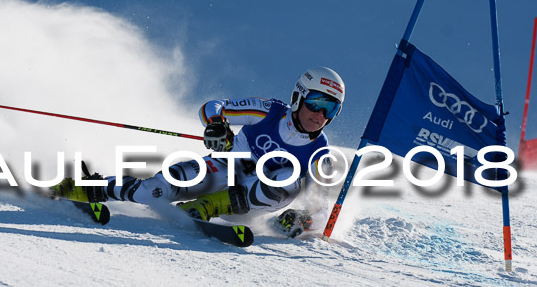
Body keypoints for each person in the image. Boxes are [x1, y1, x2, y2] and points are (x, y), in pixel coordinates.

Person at [52, 66, 345, 237]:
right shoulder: (268, 111)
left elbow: (322, 211)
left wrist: (302, 221)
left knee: (289, 176)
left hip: (251, 202)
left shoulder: (320, 153)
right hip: (227, 168)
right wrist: (216, 126)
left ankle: (208, 206)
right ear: (299, 97)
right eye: (316, 101)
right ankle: (86, 188)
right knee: (155, 190)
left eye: (330, 107)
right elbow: (213, 107)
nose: (320, 113)